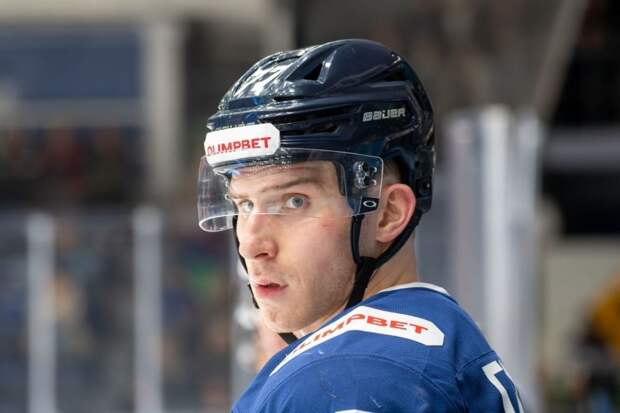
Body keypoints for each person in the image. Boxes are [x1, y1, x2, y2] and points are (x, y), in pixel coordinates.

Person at [197, 39, 523, 412]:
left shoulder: (346, 379)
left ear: (387, 213)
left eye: (294, 201)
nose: (251, 244)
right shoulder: (437, 334)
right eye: (244, 204)